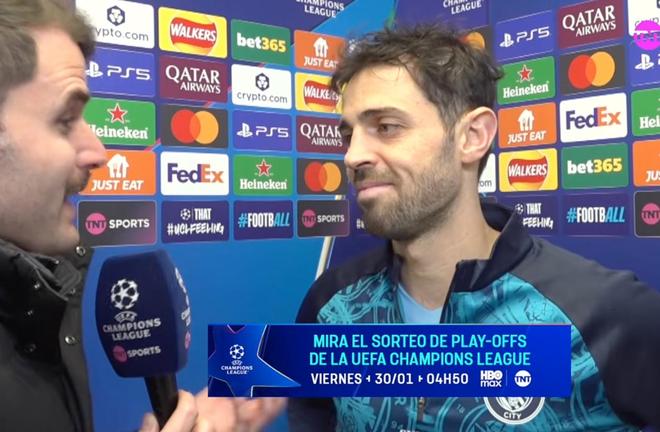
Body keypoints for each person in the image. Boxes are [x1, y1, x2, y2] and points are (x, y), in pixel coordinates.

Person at [288, 23, 660, 431]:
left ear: (472, 136)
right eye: (348, 135)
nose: (353, 155)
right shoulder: (332, 305)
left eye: (386, 127)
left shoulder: (604, 315)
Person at [0, 1, 285, 431]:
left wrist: (274, 367)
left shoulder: (38, 296)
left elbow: (366, 358)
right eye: (65, 119)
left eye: (384, 128)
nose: (98, 151)